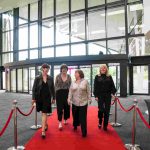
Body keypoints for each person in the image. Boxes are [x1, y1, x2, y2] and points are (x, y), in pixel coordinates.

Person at [32, 63, 55, 138]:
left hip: (47, 98)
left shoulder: (50, 78)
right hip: (39, 97)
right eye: (44, 68)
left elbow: (53, 89)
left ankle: (43, 131)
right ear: (42, 69)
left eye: (47, 69)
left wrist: (54, 98)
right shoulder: (37, 78)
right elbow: (34, 89)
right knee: (43, 113)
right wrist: (33, 98)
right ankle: (45, 124)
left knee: (44, 113)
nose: (46, 70)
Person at [68, 69, 91, 137]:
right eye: (75, 73)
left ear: (79, 74)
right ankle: (75, 125)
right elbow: (70, 92)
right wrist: (69, 99)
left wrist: (89, 99)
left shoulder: (85, 81)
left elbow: (89, 91)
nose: (75, 74)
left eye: (76, 73)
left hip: (83, 102)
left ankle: (84, 131)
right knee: (75, 116)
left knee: (83, 117)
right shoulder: (73, 82)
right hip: (74, 102)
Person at [94, 64, 116, 131]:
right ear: (100, 69)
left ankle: (105, 125)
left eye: (104, 68)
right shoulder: (97, 77)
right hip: (100, 95)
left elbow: (113, 86)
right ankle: (100, 120)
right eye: (102, 68)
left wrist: (112, 94)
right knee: (101, 110)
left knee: (107, 111)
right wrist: (96, 96)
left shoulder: (109, 76)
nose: (103, 69)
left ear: (106, 69)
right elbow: (95, 87)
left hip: (107, 95)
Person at [55, 64, 72, 130]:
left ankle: (65, 119)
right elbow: (55, 85)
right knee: (59, 108)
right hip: (59, 94)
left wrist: (70, 95)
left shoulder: (69, 76)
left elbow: (71, 86)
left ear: (67, 69)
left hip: (67, 93)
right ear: (61, 69)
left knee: (66, 107)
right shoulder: (57, 76)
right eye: (63, 68)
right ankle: (60, 122)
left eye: (65, 68)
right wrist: (56, 92)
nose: (64, 69)